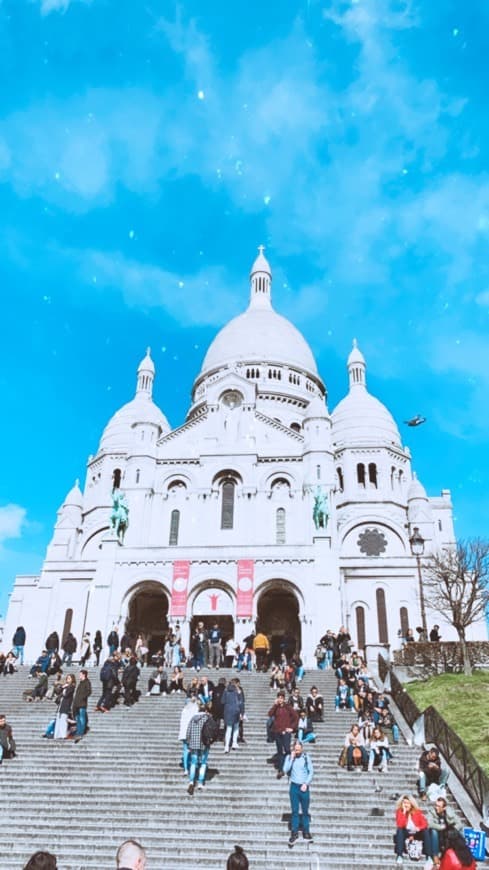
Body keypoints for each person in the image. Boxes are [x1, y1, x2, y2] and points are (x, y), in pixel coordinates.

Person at [283, 740, 314, 847]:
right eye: (295, 749)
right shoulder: (289, 757)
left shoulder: (306, 757)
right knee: (295, 811)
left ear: (302, 749)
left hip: (304, 786)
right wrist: (291, 758)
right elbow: (285, 769)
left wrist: (306, 783)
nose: (297, 751)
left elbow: (311, 771)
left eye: (298, 749)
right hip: (294, 786)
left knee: (305, 811)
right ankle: (294, 832)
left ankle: (306, 831)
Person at [394, 794, 432, 867]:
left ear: (411, 804)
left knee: (426, 831)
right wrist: (404, 813)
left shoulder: (417, 812)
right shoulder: (399, 812)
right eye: (404, 803)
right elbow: (400, 824)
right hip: (406, 832)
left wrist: (418, 828)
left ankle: (429, 856)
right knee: (399, 830)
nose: (406, 805)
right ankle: (399, 856)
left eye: (407, 803)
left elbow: (425, 823)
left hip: (416, 832)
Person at [268, 691, 299, 778]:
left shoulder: (288, 707)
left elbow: (296, 717)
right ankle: (281, 770)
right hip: (277, 732)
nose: (280, 700)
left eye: (282, 698)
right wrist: (274, 705)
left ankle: (290, 766)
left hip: (286, 732)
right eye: (279, 698)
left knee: (287, 749)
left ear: (284, 699)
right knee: (280, 751)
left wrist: (292, 728)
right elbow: (270, 714)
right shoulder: (276, 708)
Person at [186, 703, 213, 794]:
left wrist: (188, 743)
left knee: (193, 763)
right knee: (203, 763)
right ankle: (200, 782)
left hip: (193, 744)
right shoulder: (207, 718)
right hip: (204, 743)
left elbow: (188, 732)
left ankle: (191, 781)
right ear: (205, 710)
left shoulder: (193, 719)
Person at [427, 797, 461, 862]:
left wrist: (453, 830)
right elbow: (429, 824)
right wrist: (441, 827)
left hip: (448, 835)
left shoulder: (449, 812)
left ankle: (461, 853)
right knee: (434, 831)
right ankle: (435, 856)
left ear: (444, 808)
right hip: (437, 836)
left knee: (460, 831)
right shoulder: (432, 812)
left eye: (439, 806)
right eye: (436, 805)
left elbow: (459, 823)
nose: (436, 808)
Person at [43, 673, 76, 739]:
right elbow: (58, 692)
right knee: (58, 720)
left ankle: (62, 735)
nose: (68, 680)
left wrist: (66, 688)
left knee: (63, 720)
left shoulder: (72, 687)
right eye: (67, 678)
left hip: (66, 705)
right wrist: (62, 687)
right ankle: (57, 735)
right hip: (61, 705)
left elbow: (66, 694)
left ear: (72, 680)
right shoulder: (65, 686)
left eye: (69, 678)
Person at [178, 695, 199, 774]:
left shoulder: (184, 710)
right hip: (192, 732)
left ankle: (186, 768)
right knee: (193, 750)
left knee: (185, 750)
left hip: (184, 732)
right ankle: (192, 765)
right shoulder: (195, 709)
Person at [222, 677, 244, 752]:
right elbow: (241, 702)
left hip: (227, 711)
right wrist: (242, 713)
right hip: (236, 710)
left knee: (228, 729)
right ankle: (234, 742)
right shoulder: (238, 691)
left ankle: (226, 746)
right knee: (236, 727)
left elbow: (222, 701)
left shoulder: (226, 690)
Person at [73, 668, 92, 738]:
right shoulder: (80, 683)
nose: (79, 676)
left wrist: (82, 697)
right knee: (78, 718)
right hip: (77, 703)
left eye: (80, 674)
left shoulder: (87, 682)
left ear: (84, 675)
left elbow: (89, 691)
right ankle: (78, 731)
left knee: (82, 718)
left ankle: (81, 732)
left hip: (82, 703)